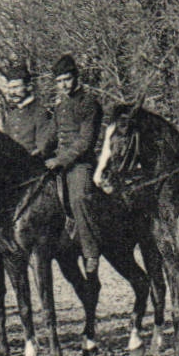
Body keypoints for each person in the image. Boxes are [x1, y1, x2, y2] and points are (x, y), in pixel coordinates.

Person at [45, 54, 101, 277]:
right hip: (59, 163)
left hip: (80, 164)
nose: (63, 85)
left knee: (78, 198)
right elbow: (50, 137)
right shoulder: (60, 107)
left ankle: (91, 251)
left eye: (67, 79)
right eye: (59, 82)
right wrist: (37, 154)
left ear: (76, 77)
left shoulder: (89, 103)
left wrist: (60, 160)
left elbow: (85, 143)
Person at [0, 63, 55, 159]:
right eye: (10, 88)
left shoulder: (40, 112)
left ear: (29, 86)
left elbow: (43, 148)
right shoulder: (12, 115)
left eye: (16, 87)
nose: (12, 92)